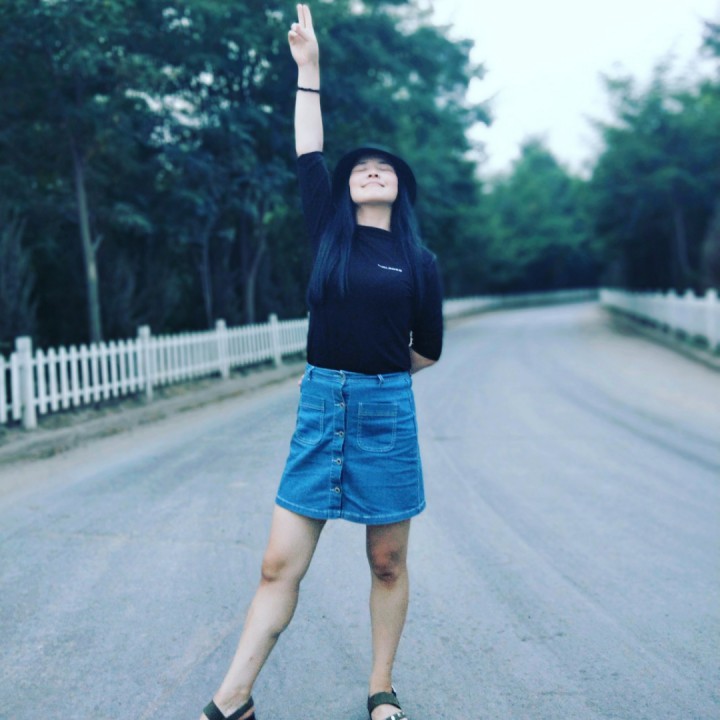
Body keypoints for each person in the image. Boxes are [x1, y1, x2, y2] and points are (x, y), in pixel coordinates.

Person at [200, 5, 443, 720]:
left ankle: (380, 687)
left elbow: (427, 349)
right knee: (278, 563)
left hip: (386, 410)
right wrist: (309, 67)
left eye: (383, 168)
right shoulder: (329, 234)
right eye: (360, 168)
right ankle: (233, 699)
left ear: (400, 189)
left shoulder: (420, 262)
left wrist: (377, 375)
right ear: (346, 188)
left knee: (387, 562)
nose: (371, 171)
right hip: (320, 404)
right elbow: (309, 150)